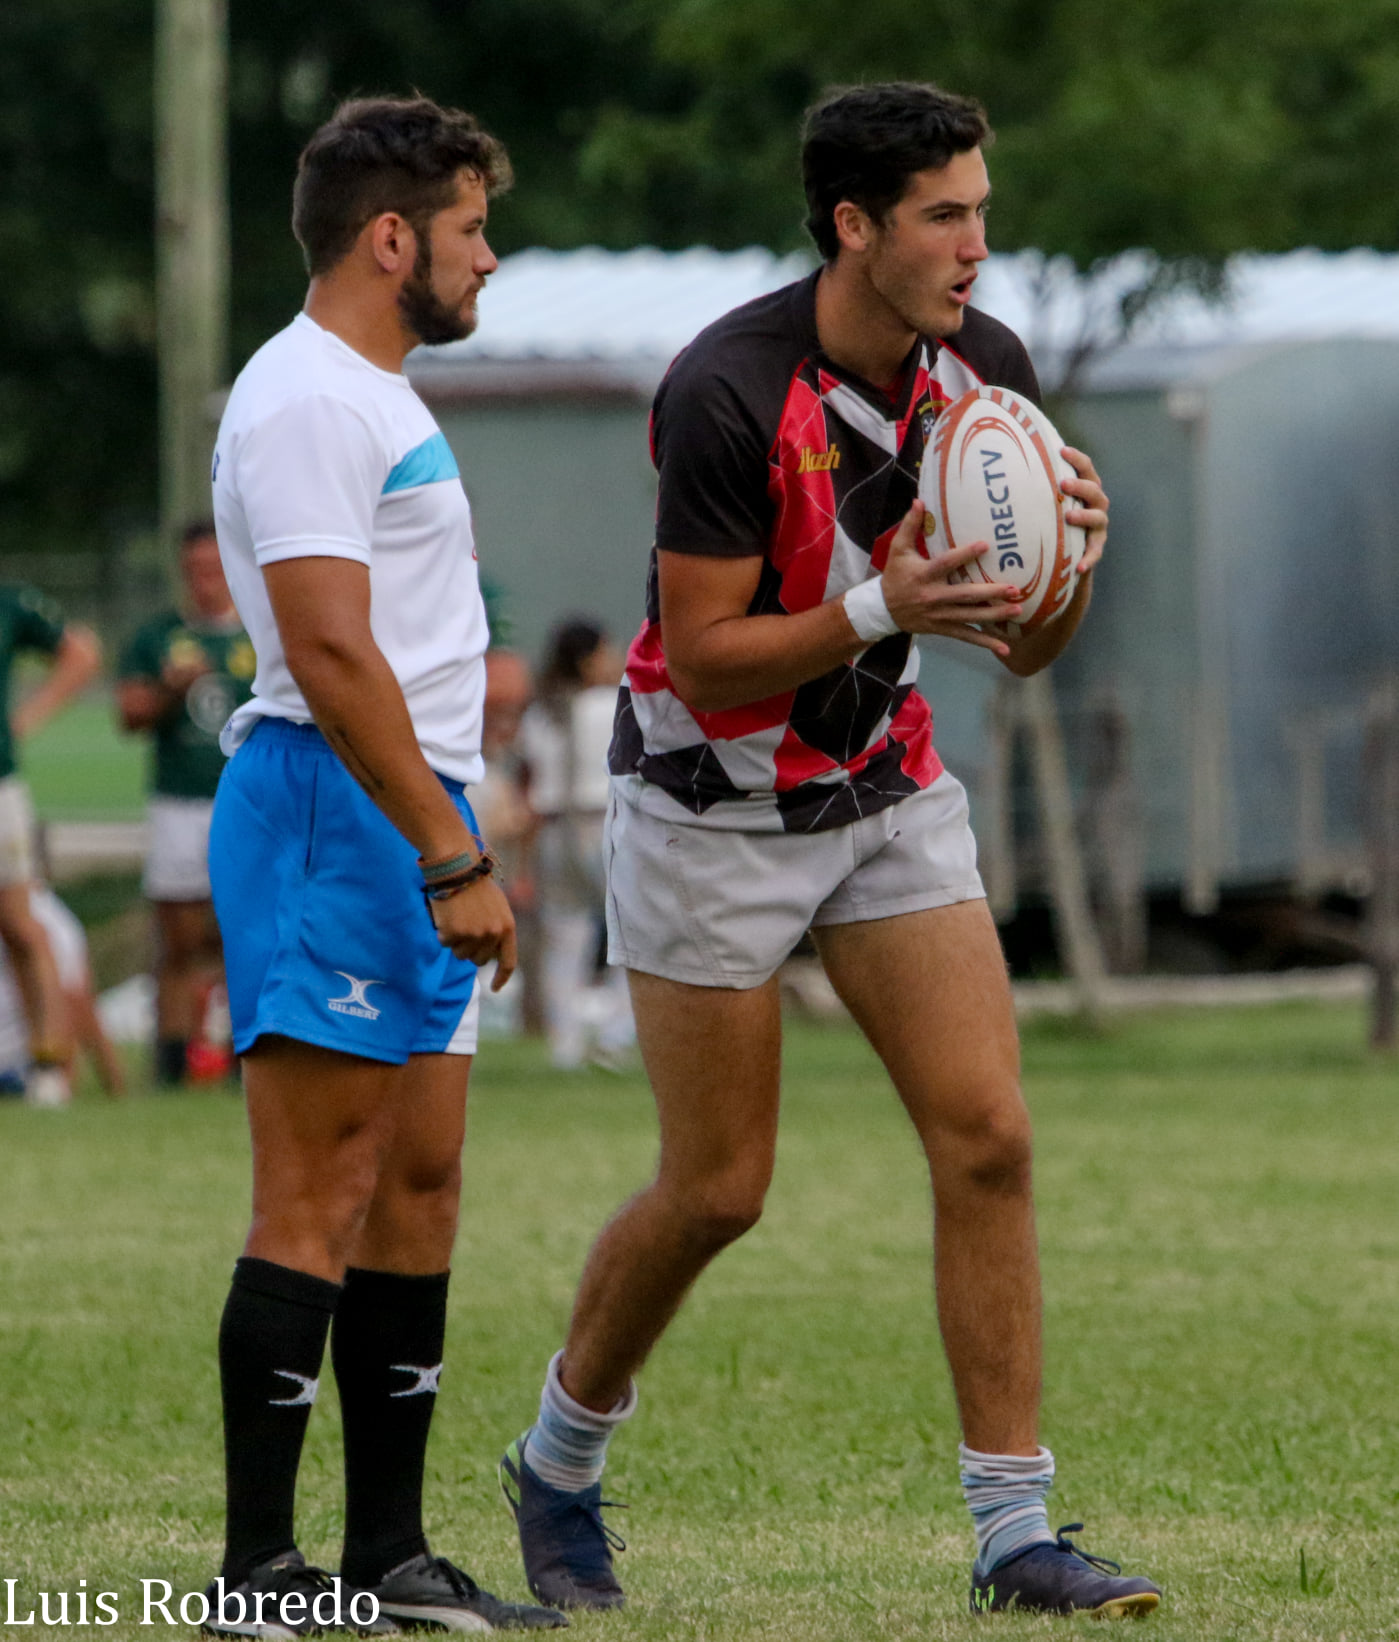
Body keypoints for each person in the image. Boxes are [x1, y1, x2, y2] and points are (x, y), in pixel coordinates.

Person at [499, 82, 1162, 1620]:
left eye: (980, 209)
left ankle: (1013, 1533)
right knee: (717, 1188)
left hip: (879, 789)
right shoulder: (725, 389)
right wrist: (882, 609)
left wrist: (1068, 556)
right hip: (707, 806)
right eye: (944, 213)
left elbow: (1022, 649)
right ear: (853, 225)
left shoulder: (980, 372)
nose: (976, 245)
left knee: (987, 1136)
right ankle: (557, 1459)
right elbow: (708, 653)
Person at [205, 95, 564, 1634]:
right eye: (472, 228)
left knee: (418, 1183)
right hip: (338, 811)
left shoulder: (368, 391)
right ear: (391, 237)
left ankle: (386, 1557)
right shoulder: (303, 397)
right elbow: (330, 652)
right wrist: (440, 850)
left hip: (417, 814)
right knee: (319, 1190)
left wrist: (456, 833)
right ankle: (255, 1574)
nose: (489, 257)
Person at [116, 522, 255, 1086]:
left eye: (214, 569)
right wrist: (171, 690)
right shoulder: (158, 637)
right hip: (178, 805)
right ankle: (172, 1063)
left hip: (245, 804)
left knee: (243, 933)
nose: (205, 582)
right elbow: (129, 716)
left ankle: (243, 1057)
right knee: (179, 938)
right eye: (194, 571)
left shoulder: (258, 634)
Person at [0, 582, 101, 1106]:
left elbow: (81, 653)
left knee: (18, 923)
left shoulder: (10, 604)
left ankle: (48, 1064)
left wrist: (23, 722)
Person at [517, 619, 633, 1070]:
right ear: (589, 659)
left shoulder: (541, 712)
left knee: (564, 941)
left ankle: (564, 1044)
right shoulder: (612, 703)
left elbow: (529, 785)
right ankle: (616, 1034)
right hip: (603, 821)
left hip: (552, 829)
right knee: (633, 932)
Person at [0, 880, 125, 1099]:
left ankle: (49, 1076)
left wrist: (113, 1084)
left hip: (17, 1067)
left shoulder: (44, 923)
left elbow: (78, 1003)